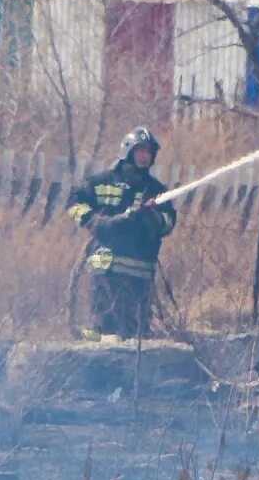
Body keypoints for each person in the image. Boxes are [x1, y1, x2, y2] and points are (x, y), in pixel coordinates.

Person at [68, 126, 178, 339]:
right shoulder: (101, 182)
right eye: (140, 151)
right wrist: (96, 222)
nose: (145, 156)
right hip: (105, 271)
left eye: (148, 152)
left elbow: (168, 223)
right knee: (105, 329)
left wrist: (151, 219)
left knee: (137, 333)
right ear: (128, 151)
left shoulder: (156, 191)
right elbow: (73, 203)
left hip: (140, 274)